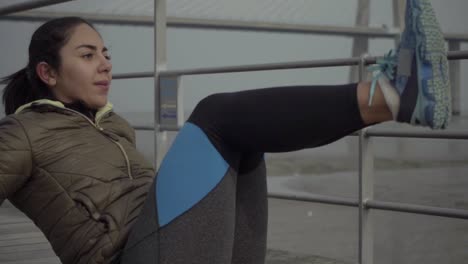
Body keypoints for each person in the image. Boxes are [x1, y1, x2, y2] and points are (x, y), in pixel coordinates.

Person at [0, 0, 451, 263]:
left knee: (247, 138)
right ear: (48, 72)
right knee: (215, 116)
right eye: (87, 55)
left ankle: (397, 95)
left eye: (106, 53)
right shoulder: (22, 132)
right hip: (128, 256)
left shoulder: (113, 124)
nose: (106, 64)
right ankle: (394, 96)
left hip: (168, 241)